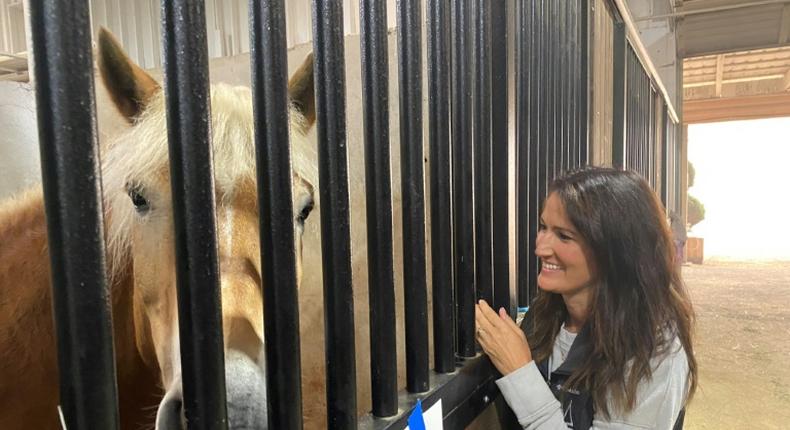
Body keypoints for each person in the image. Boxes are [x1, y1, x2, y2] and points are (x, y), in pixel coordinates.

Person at [475, 167, 697, 429]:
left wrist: (520, 374)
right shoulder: (545, 314)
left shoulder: (655, 348)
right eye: (543, 227)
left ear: (615, 249)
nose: (540, 247)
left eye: (564, 236)